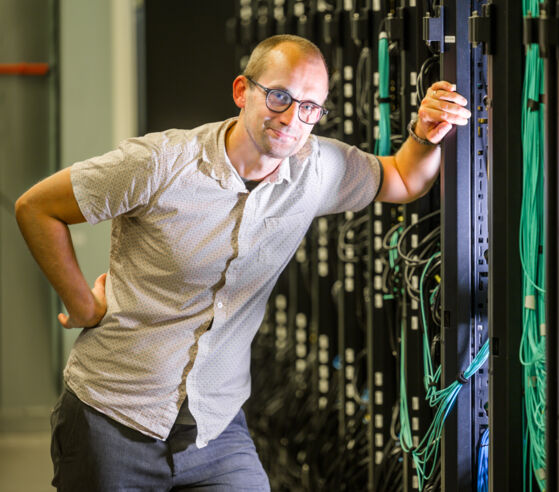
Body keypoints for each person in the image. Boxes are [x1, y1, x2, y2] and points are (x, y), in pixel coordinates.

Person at [15, 34, 471, 491]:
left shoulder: (315, 169)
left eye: (310, 107)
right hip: (113, 415)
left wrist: (424, 132)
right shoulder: (159, 163)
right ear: (242, 92)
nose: (293, 118)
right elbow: (37, 207)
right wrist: (82, 306)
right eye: (280, 97)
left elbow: (401, 177)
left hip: (214, 426)